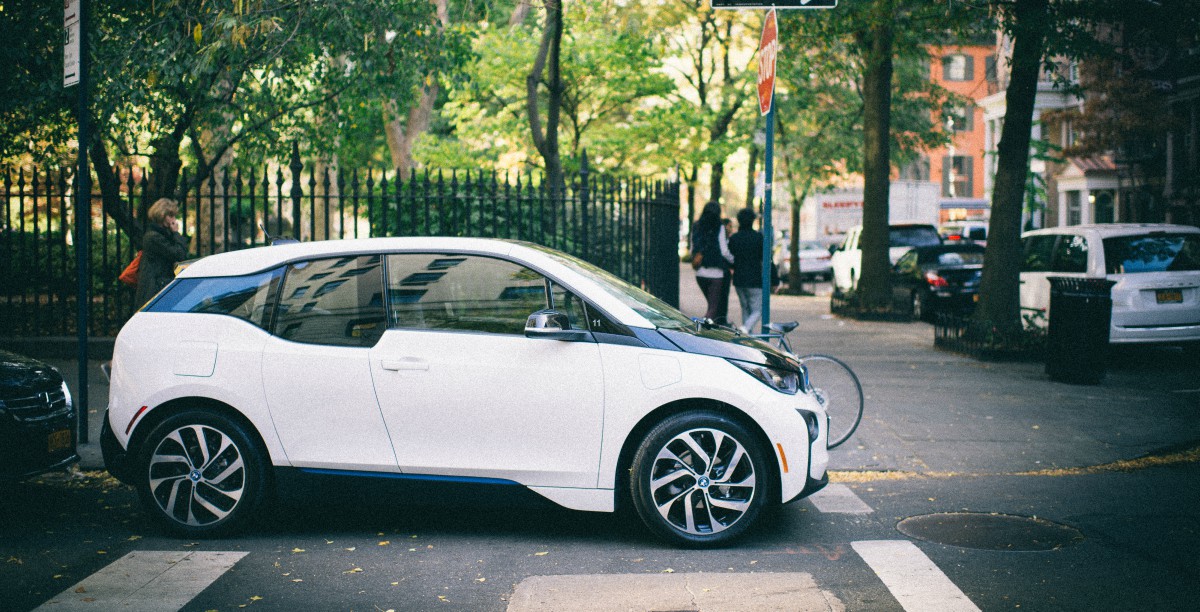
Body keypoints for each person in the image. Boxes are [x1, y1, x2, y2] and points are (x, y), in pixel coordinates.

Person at [135, 198, 190, 306]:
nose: (173, 220)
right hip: (154, 288)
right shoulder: (154, 237)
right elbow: (180, 254)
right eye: (170, 216)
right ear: (161, 215)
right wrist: (176, 233)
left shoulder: (161, 234)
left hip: (160, 285)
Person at [727, 207, 774, 334]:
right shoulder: (758, 238)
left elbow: (730, 257)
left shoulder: (734, 238)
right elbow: (767, 259)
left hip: (739, 279)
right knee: (758, 309)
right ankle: (746, 329)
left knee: (745, 308)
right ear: (753, 220)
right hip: (754, 279)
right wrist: (775, 280)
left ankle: (747, 336)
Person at [690, 201, 734, 324]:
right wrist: (733, 260)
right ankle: (701, 328)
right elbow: (724, 250)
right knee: (713, 308)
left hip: (700, 273)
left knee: (712, 305)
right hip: (716, 274)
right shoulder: (719, 226)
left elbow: (692, 248)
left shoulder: (696, 226)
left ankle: (713, 327)